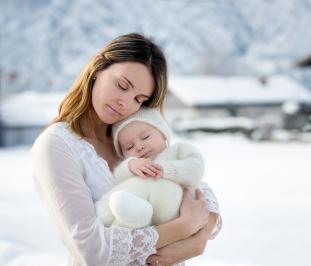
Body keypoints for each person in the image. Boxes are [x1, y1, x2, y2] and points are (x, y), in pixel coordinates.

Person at [31, 33, 222, 266]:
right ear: (98, 67)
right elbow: (93, 252)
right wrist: (183, 227)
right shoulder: (57, 145)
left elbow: (194, 185)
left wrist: (201, 234)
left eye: (139, 99)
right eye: (122, 86)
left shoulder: (129, 134)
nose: (126, 104)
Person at [96, 107, 204, 230]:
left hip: (175, 214)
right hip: (145, 222)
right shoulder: (135, 165)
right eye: (129, 147)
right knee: (123, 208)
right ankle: (113, 216)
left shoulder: (178, 150)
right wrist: (130, 166)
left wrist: (165, 169)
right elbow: (118, 178)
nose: (139, 147)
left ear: (163, 134)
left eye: (145, 137)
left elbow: (196, 168)